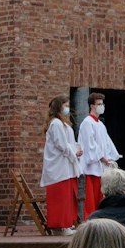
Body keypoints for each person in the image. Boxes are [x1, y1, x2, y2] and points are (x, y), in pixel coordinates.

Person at [40, 97, 83, 234]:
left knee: (68, 197)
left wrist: (76, 150)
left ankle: (67, 223)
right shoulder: (56, 124)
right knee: (61, 198)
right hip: (59, 166)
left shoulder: (62, 124)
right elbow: (61, 145)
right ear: (59, 107)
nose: (67, 108)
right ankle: (60, 226)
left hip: (66, 165)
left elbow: (68, 142)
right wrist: (73, 153)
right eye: (65, 105)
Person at [77, 93, 122, 217]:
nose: (101, 106)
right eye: (98, 104)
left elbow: (107, 143)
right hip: (92, 166)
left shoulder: (100, 124)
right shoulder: (87, 123)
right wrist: (102, 158)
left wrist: (112, 156)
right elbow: (89, 144)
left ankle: (100, 218)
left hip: (101, 166)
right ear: (92, 106)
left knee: (100, 196)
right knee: (91, 197)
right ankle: (90, 220)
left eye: (102, 104)